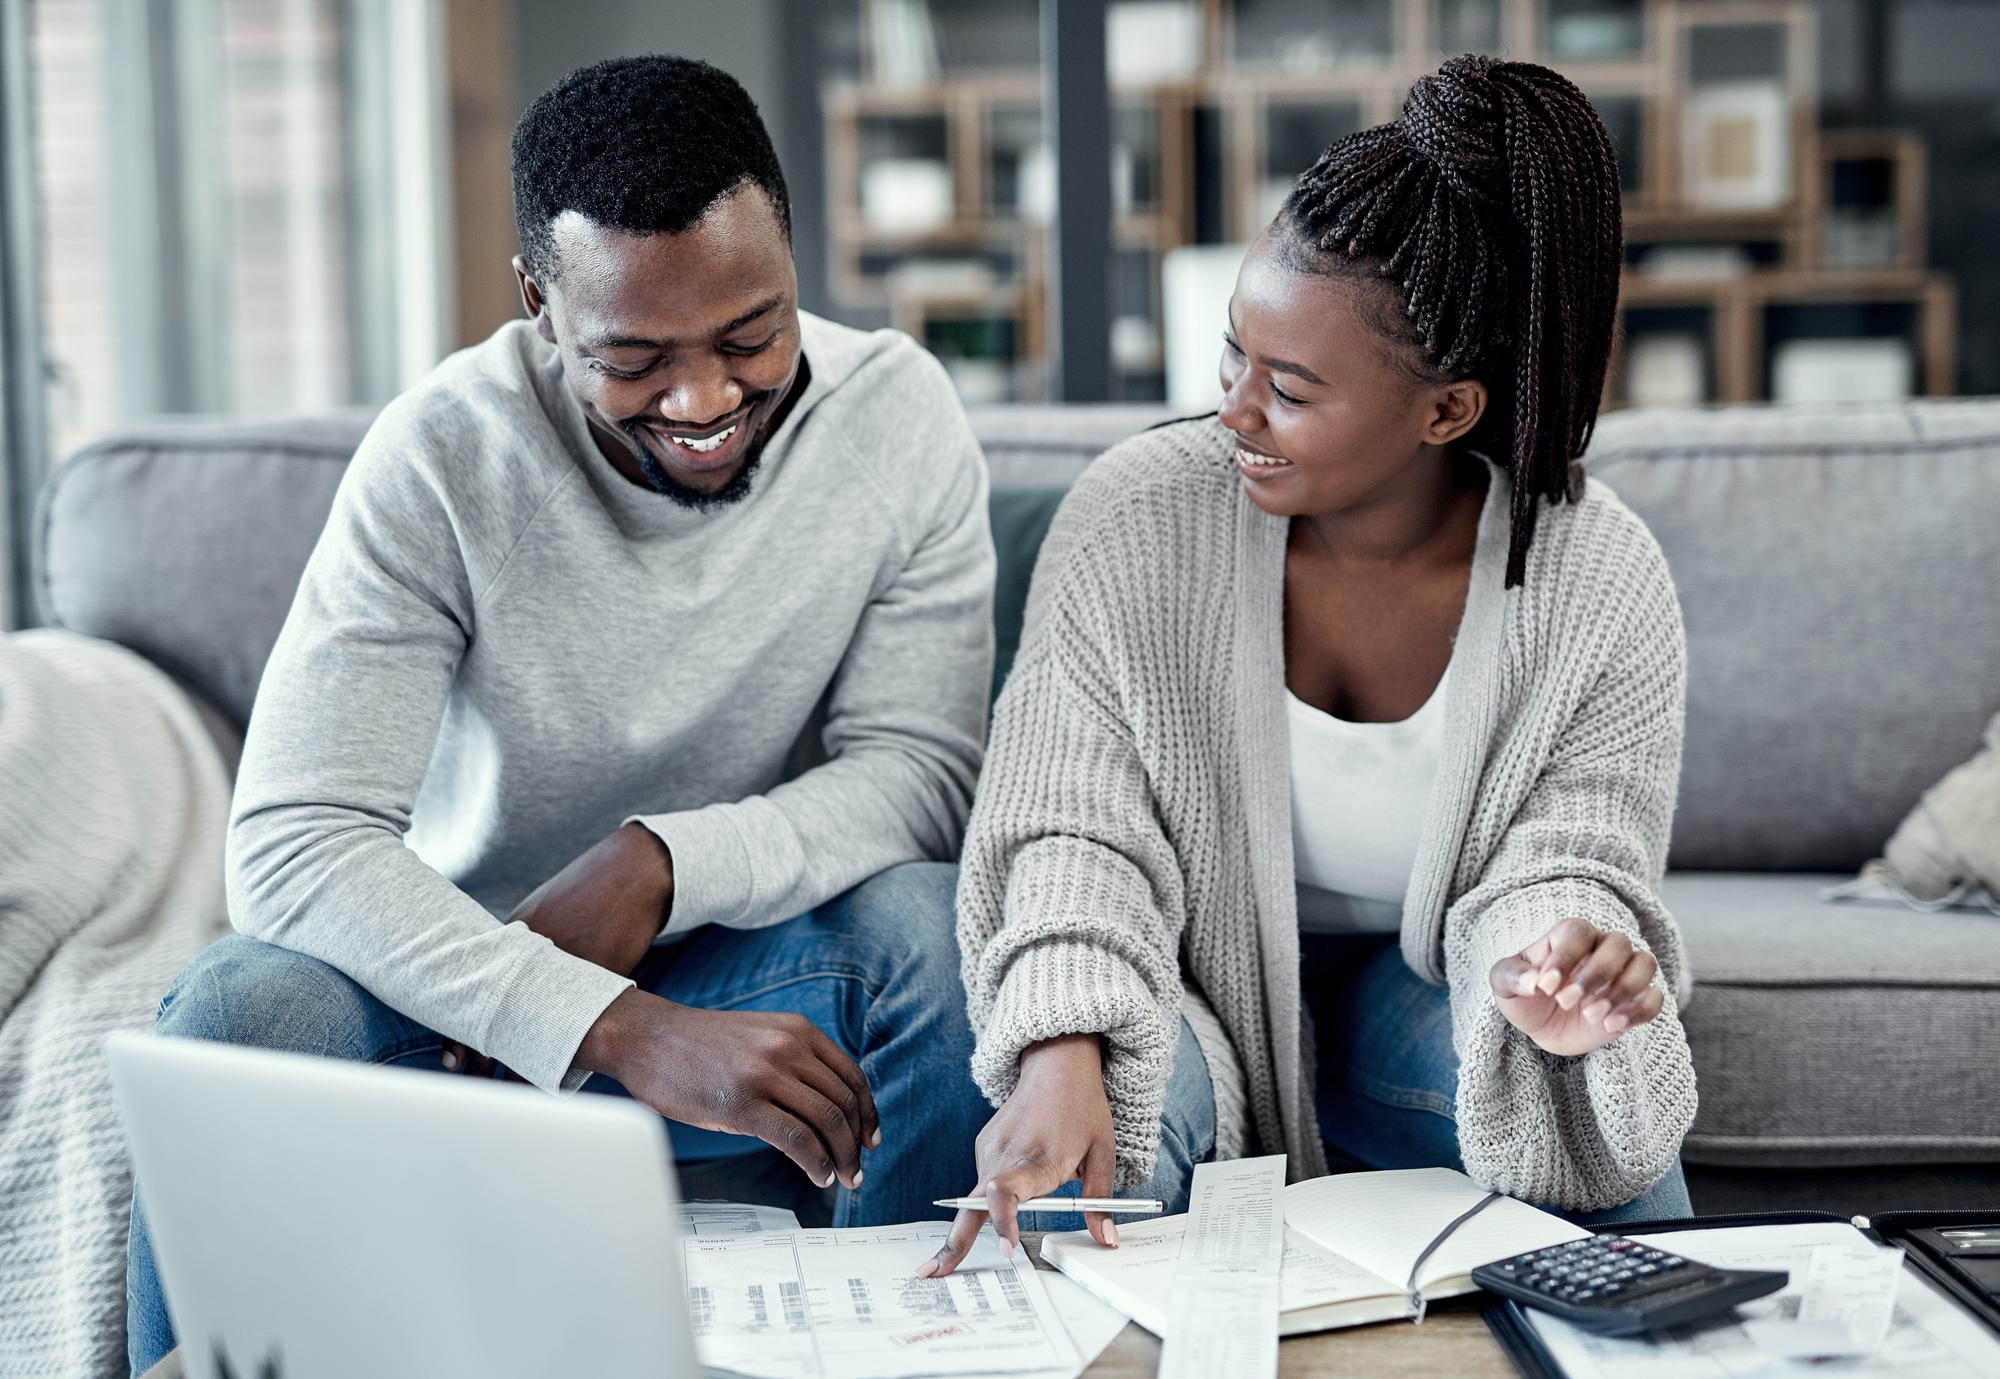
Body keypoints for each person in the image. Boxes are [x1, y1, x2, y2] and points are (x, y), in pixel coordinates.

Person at [128, 55, 996, 1371]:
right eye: (635, 358)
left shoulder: (900, 420)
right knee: (237, 1015)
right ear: (541, 305)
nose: (702, 400)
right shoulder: (443, 457)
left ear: (794, 260)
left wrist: (659, 863)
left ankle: (924, 1344)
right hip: (462, 982)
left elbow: (923, 773)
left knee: (928, 933)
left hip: (736, 950)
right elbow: (296, 839)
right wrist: (610, 1023)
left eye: (751, 335)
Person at [926, 55, 1697, 1278]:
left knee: (1580, 1095)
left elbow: (1577, 843)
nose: (1229, 409)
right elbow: (1067, 820)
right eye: (1232, 354)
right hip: (1173, 985)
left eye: (1285, 390)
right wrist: (1057, 1040)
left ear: (1444, 412)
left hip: (1427, 987)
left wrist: (1561, 956)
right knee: (1099, 1124)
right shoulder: (1139, 515)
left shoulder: (1595, 576)